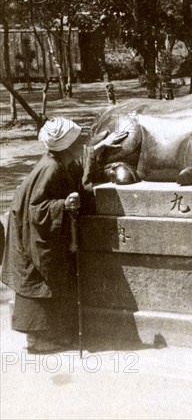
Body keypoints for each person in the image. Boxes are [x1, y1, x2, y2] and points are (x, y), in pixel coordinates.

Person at [1, 117, 127, 353]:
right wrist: (63, 204)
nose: (82, 143)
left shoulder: (58, 160)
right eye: (78, 139)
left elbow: (78, 165)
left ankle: (48, 336)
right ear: (67, 145)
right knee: (40, 283)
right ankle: (38, 339)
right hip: (31, 235)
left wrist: (101, 146)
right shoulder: (50, 168)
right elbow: (37, 209)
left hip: (34, 231)